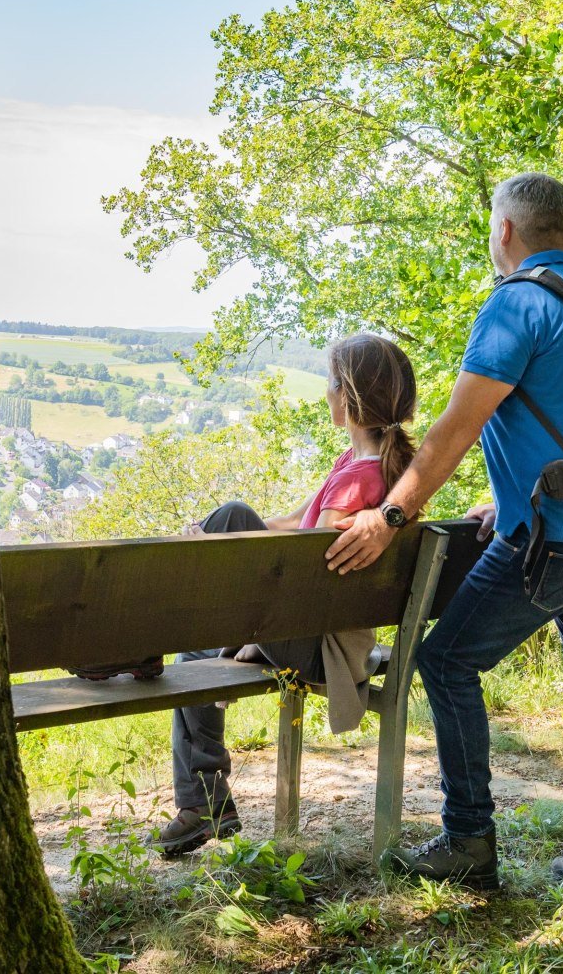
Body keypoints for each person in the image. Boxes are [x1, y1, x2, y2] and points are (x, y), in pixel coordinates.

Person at [324, 172, 563, 902]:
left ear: (506, 230)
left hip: (552, 540)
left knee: (444, 663)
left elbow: (453, 432)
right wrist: (503, 499)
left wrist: (392, 515)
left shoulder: (516, 306)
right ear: (560, 229)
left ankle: (469, 839)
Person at [149, 332, 419, 856]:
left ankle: (203, 801)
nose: (325, 393)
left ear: (349, 396)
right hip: (311, 629)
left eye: (330, 383)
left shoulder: (357, 483)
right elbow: (295, 523)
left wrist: (222, 556)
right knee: (202, 626)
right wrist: (215, 547)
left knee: (228, 529)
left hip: (320, 644)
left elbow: (310, 568)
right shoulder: (371, 464)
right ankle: (203, 801)